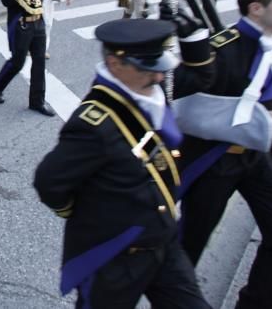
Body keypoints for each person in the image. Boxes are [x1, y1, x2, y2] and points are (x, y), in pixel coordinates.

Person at [34, 19, 211, 309]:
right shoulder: (94, 123)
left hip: (163, 243)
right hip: (117, 257)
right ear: (116, 64)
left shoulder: (148, 93)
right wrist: (88, 215)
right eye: (147, 68)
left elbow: (202, 77)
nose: (157, 77)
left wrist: (196, 36)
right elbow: (49, 180)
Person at [173, 0, 272, 309]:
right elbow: (182, 105)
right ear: (256, 8)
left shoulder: (271, 44)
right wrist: (194, 52)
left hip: (256, 158)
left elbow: (271, 111)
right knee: (187, 249)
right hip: (212, 163)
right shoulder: (219, 49)